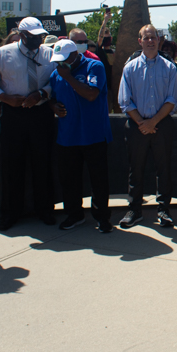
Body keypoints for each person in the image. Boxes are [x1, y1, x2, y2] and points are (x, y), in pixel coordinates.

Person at [0, 16, 57, 231]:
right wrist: (4, 97)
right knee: (12, 164)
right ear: (22, 35)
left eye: (41, 36)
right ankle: (10, 213)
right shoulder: (3, 54)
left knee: (42, 163)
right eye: (33, 37)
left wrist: (42, 93)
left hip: (40, 112)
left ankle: (45, 209)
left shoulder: (49, 54)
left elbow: (56, 80)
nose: (39, 40)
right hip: (13, 113)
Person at [117, 25, 177, 228]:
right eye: (146, 38)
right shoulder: (130, 68)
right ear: (140, 41)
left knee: (163, 169)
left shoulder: (169, 67)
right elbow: (125, 101)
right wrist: (142, 123)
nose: (151, 41)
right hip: (137, 126)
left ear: (159, 40)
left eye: (154, 38)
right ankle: (134, 209)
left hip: (162, 126)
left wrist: (153, 123)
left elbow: (174, 99)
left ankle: (163, 210)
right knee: (135, 169)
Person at [48, 39, 113, 233]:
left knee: (98, 180)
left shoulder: (94, 66)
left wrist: (69, 77)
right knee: (69, 179)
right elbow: (51, 98)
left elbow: (92, 94)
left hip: (94, 134)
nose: (61, 64)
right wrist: (53, 106)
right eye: (58, 61)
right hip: (68, 135)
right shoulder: (56, 73)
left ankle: (102, 217)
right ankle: (74, 214)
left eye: (64, 59)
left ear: (75, 55)